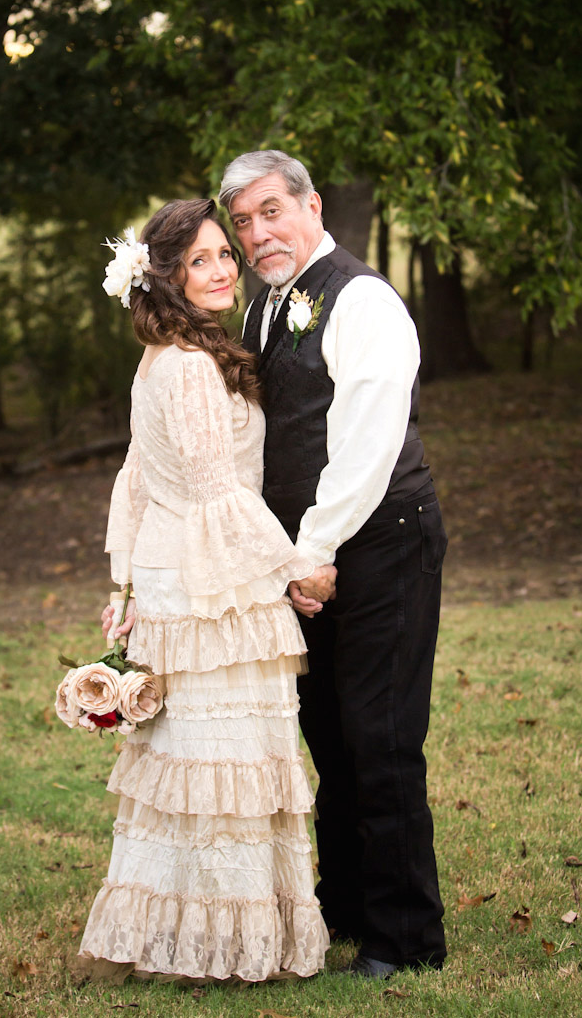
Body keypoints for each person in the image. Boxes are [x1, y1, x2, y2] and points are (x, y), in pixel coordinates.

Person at [76, 198, 332, 983]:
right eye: (201, 260)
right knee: (217, 761)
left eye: (226, 253)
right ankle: (215, 943)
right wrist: (296, 567)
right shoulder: (186, 366)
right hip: (206, 581)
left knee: (195, 763)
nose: (223, 268)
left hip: (177, 569)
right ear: (167, 276)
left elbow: (136, 477)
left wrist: (122, 579)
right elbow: (216, 493)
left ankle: (187, 928)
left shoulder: (171, 352)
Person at [218, 150, 448, 979]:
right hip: (303, 558)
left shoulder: (365, 300)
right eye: (242, 221)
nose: (257, 233)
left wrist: (314, 550)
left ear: (311, 204)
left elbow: (365, 443)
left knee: (380, 734)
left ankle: (406, 936)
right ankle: (348, 906)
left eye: (271, 211)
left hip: (381, 538)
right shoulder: (265, 308)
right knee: (328, 735)